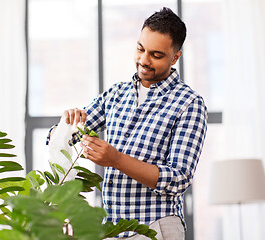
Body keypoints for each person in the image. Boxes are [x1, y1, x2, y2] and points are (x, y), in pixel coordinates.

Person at [47, 7, 207, 240]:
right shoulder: (115, 95)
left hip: (155, 226)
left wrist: (116, 160)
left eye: (156, 55)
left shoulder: (188, 104)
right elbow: (65, 136)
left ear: (175, 57)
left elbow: (178, 179)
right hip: (112, 229)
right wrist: (66, 124)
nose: (144, 60)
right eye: (140, 49)